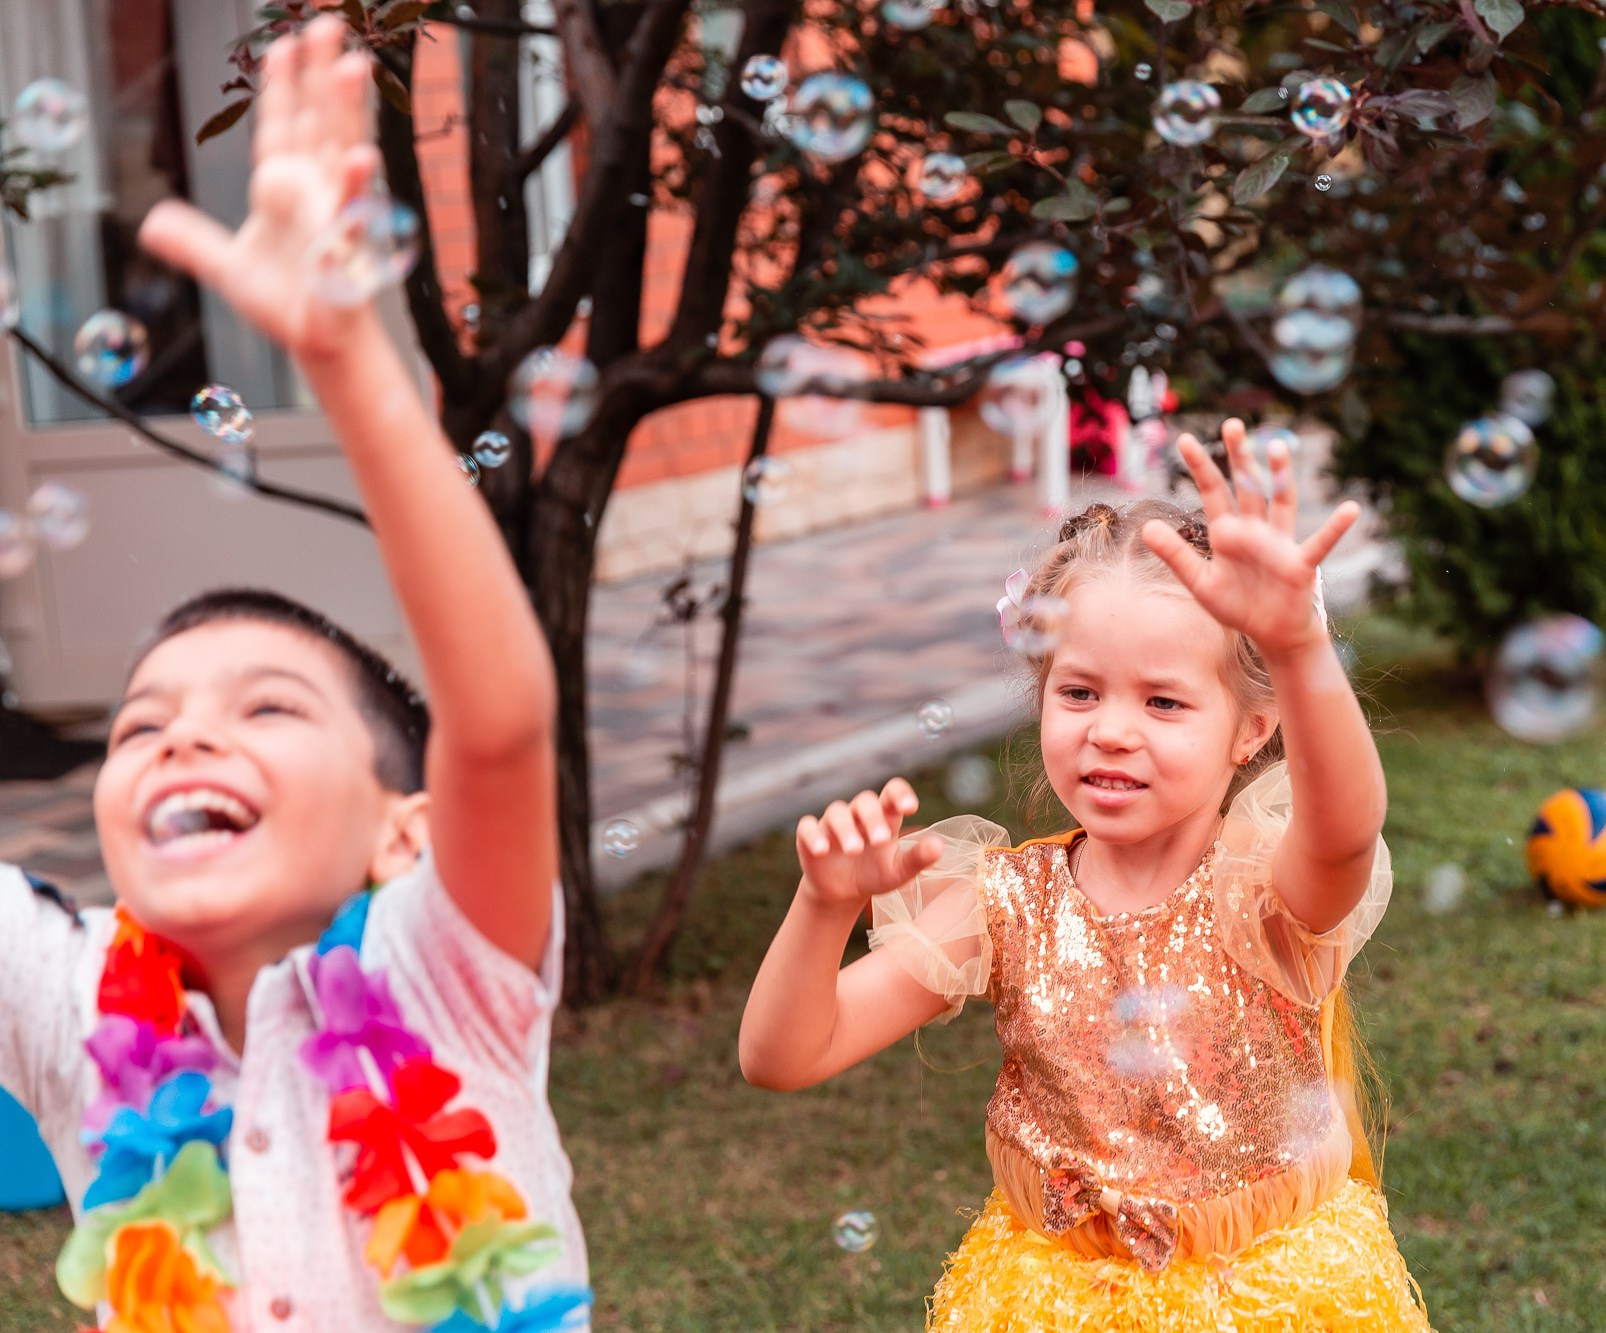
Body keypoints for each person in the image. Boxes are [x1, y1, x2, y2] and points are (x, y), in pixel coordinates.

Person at [0, 19, 588, 1331]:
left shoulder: (451, 977)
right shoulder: (63, 1001)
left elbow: (497, 728)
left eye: (266, 707)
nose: (181, 741)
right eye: (141, 724)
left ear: (404, 829)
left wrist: (345, 360)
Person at [740, 422, 1430, 1330]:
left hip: (1265, 1300)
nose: (1110, 728)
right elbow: (781, 1056)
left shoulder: (1266, 891)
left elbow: (1346, 833)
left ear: (1251, 729)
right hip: (1052, 1305)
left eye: (1164, 700)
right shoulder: (1000, 901)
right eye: (1079, 692)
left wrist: (1298, 646)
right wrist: (823, 905)